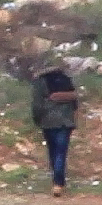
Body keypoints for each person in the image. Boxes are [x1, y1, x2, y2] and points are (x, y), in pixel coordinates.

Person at [30, 65, 79, 197]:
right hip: (66, 122)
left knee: (53, 151)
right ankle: (58, 183)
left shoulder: (41, 82)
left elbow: (37, 104)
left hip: (49, 122)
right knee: (61, 152)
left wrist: (37, 119)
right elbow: (75, 103)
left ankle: (57, 182)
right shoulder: (66, 79)